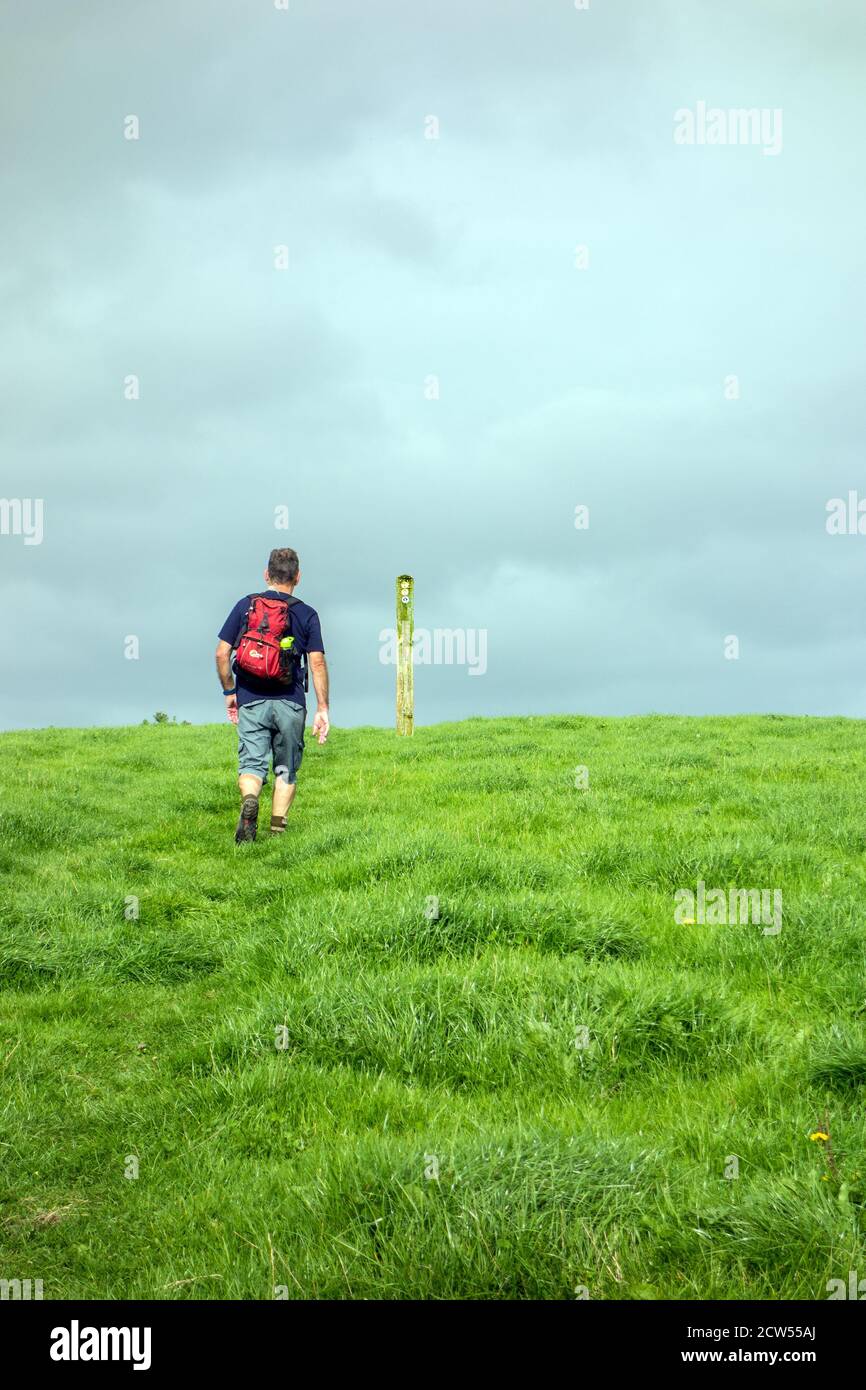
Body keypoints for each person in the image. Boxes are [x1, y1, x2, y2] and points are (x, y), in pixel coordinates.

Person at [216, 547, 329, 842]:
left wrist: (230, 692)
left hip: (251, 699)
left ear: (266, 574)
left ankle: (250, 799)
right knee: (285, 769)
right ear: (298, 577)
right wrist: (323, 708)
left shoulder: (246, 606)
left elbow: (221, 653)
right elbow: (316, 662)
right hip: (290, 703)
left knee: (251, 764)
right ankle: (277, 832)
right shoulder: (306, 613)